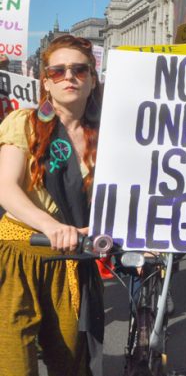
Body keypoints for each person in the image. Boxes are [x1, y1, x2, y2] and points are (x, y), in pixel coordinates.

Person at [0, 35, 103, 376]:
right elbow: (6, 188)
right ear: (45, 81)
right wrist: (51, 225)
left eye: (79, 70)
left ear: (92, 77)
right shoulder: (26, 123)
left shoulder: (109, 135)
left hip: (71, 262)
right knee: (16, 366)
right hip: (20, 254)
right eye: (58, 71)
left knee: (70, 364)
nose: (69, 77)